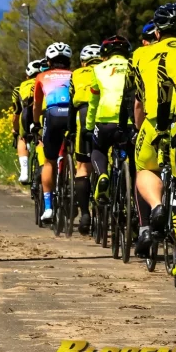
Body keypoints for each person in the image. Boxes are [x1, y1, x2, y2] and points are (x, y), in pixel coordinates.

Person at [127, 3, 176, 283]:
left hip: (156, 123)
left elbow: (137, 99)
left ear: (156, 31)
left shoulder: (141, 55)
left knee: (144, 169)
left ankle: (154, 207)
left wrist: (137, 127)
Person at [85, 35, 131, 204]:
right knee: (134, 158)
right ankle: (131, 193)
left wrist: (89, 126)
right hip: (129, 121)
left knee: (98, 149)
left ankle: (103, 175)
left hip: (105, 120)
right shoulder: (133, 65)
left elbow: (93, 101)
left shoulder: (98, 69)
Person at [32, 42, 74, 224]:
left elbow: (36, 105)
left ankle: (48, 207)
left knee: (49, 160)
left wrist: (35, 124)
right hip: (73, 114)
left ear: (49, 61)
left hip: (53, 114)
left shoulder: (41, 76)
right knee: (80, 158)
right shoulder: (75, 74)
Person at [68, 44, 101, 235]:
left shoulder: (76, 74)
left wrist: (70, 132)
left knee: (83, 167)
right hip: (107, 116)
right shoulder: (108, 70)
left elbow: (70, 105)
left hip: (83, 114)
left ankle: (85, 214)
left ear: (83, 62)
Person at [12, 59, 44, 184]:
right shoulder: (47, 81)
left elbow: (16, 113)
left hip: (26, 115)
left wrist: (15, 130)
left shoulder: (19, 88)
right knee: (41, 138)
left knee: (23, 138)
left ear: (27, 75)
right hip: (44, 113)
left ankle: (24, 173)